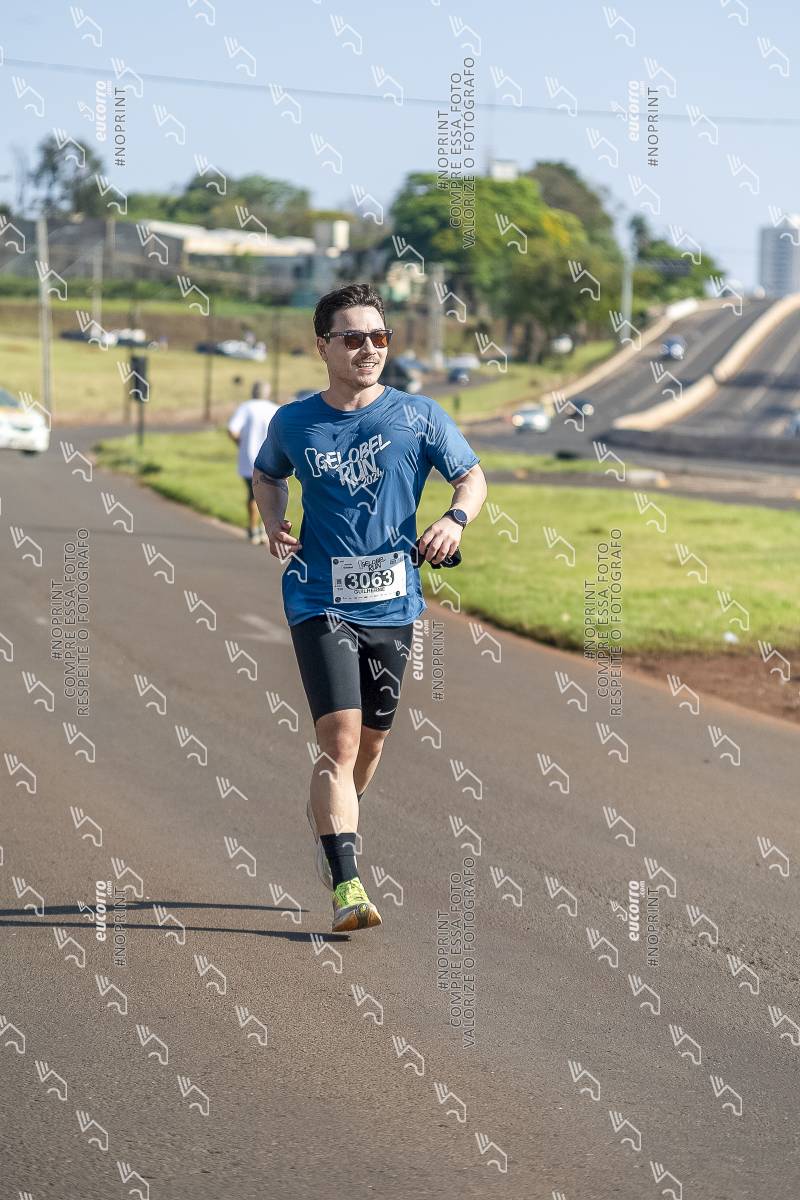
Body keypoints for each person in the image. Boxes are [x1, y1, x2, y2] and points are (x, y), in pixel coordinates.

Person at [252, 283, 487, 934]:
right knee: (341, 739)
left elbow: (471, 476)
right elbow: (268, 474)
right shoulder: (294, 422)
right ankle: (347, 881)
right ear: (323, 346)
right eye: (352, 338)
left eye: (378, 337)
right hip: (318, 596)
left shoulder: (418, 415)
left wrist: (454, 521)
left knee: (372, 744)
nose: (368, 349)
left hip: (393, 600)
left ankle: (334, 823)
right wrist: (273, 522)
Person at [227, 381, 279, 544]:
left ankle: (254, 529)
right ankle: (265, 528)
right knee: (270, 496)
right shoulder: (275, 409)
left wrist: (240, 443)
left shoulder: (246, 407)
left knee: (253, 494)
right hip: (272, 460)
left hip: (249, 459)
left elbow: (232, 429)